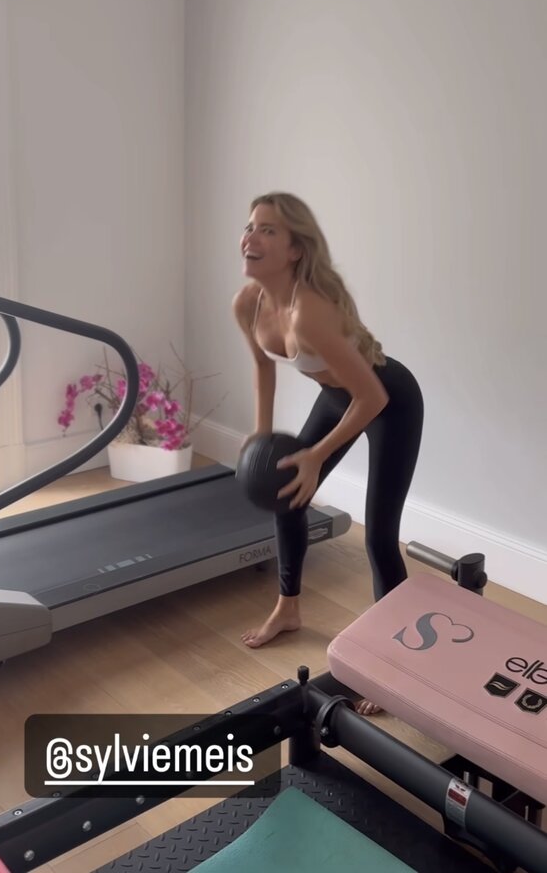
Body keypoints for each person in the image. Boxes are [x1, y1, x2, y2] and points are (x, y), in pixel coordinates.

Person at [233, 192, 424, 716]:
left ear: (295, 248)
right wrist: (261, 439)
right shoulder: (248, 303)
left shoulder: (310, 312)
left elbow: (373, 397)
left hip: (390, 401)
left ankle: (395, 667)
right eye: (250, 226)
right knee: (288, 495)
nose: (251, 237)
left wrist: (316, 454)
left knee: (379, 537)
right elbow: (264, 367)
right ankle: (288, 608)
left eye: (268, 230)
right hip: (340, 396)